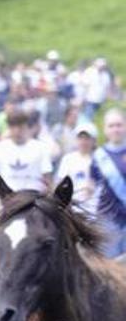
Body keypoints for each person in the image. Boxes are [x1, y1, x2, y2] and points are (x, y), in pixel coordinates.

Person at [0, 108, 53, 194]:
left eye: (20, 127)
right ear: (8, 128)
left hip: (32, 197)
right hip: (8, 199)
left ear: (26, 126)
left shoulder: (40, 148)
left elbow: (47, 176)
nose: (17, 131)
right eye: (13, 127)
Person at [90, 108, 126, 257]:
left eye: (119, 125)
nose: (115, 129)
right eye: (111, 125)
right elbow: (92, 185)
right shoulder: (98, 156)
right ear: (105, 130)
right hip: (108, 219)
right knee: (111, 267)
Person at [56, 122, 99, 218]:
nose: (83, 142)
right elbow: (61, 183)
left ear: (94, 140)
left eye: (87, 138)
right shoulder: (68, 159)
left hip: (96, 211)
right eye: (81, 138)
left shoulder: (100, 159)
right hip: (73, 211)